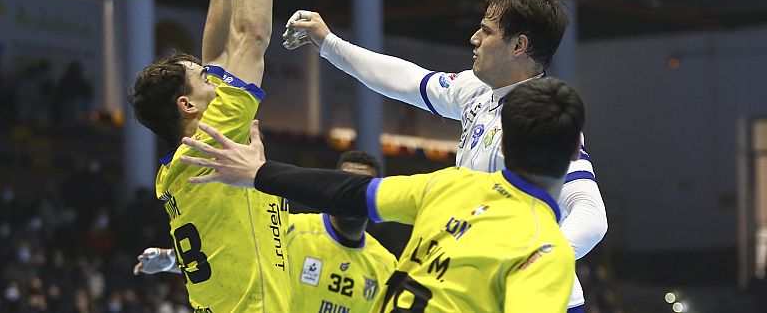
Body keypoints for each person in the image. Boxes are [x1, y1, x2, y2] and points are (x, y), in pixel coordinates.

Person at [282, 0, 607, 312]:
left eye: (486, 31)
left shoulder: (543, 121)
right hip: (476, 290)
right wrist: (329, 43)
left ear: (519, 45)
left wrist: (533, 258)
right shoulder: (476, 90)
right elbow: (405, 80)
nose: (474, 39)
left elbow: (592, 216)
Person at [179, 77, 582, 312]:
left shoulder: (450, 185)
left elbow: (348, 193)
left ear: (504, 145)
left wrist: (258, 173)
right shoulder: (546, 249)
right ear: (574, 152)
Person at [126, 0, 290, 311]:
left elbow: (218, 52)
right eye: (203, 80)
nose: (213, 74)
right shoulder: (213, 140)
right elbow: (252, 38)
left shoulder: (189, 159)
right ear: (187, 104)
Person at [134, 151, 397, 313]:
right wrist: (171, 260)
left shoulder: (386, 265)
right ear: (331, 188)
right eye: (344, 184)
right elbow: (231, 261)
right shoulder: (291, 230)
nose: (350, 195)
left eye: (359, 187)